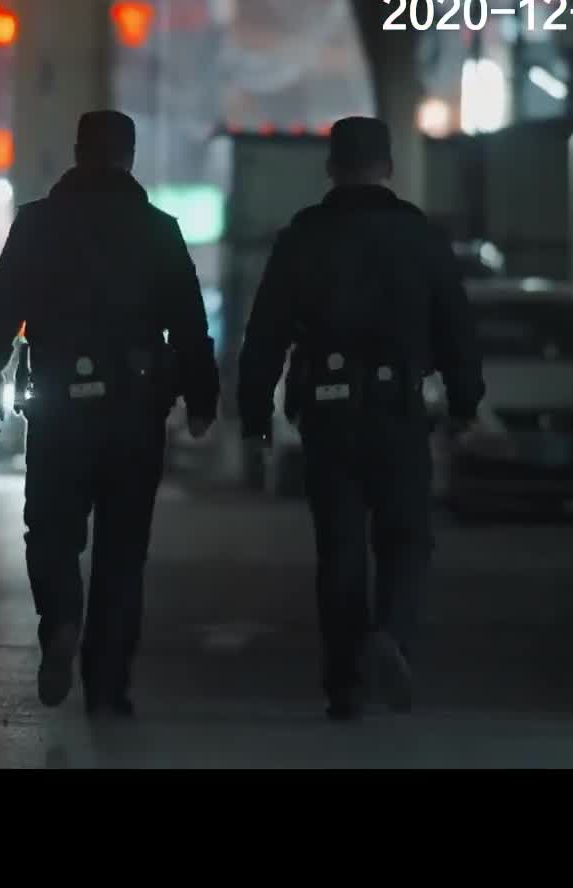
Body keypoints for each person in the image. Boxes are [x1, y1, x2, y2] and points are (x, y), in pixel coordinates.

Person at [0, 110, 219, 717]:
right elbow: (190, 324)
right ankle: (108, 687)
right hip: (135, 409)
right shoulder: (158, 229)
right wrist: (202, 398)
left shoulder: (37, 225)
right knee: (122, 550)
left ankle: (61, 619)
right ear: (128, 157)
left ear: (78, 153)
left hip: (58, 405)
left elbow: (1, 310)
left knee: (50, 530)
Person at [236, 116, 485, 722]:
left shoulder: (303, 236)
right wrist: (464, 402)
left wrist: (254, 414)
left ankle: (344, 684)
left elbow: (266, 332)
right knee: (406, 537)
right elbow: (456, 326)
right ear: (388, 167)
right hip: (397, 411)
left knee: (340, 546)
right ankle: (391, 633)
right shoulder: (420, 237)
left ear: (331, 167)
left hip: (326, 414)